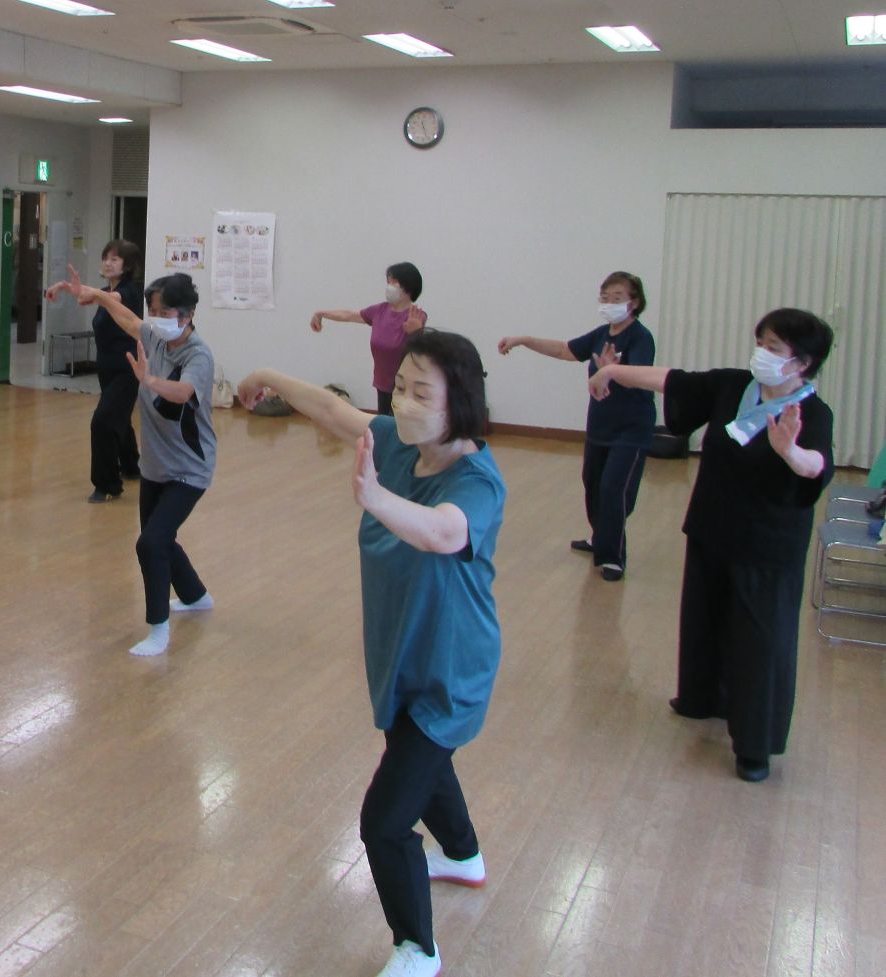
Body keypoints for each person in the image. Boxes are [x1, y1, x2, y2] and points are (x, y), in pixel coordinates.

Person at [237, 330, 506, 977]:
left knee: (384, 820)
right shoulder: (392, 440)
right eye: (401, 387)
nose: (403, 403)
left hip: (449, 667)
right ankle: (463, 854)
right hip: (398, 651)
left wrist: (376, 499)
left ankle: (417, 946)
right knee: (417, 753)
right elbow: (335, 411)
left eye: (422, 393)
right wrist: (269, 370)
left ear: (459, 403)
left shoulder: (477, 480)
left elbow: (445, 532)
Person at [588, 308, 834, 783]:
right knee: (705, 618)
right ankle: (702, 698)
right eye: (761, 342)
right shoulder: (732, 386)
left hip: (767, 546)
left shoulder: (811, 412)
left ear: (801, 363)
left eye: (775, 349)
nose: (762, 353)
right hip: (713, 528)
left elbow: (815, 467)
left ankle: (754, 746)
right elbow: (671, 381)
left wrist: (790, 452)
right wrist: (614, 371)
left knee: (759, 641)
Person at [46, 267, 216, 658]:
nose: (154, 318)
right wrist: (98, 294)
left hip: (190, 470)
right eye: (152, 310)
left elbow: (183, 391)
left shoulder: (198, 355)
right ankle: (196, 596)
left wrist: (151, 381)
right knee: (161, 538)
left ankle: (158, 630)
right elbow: (129, 320)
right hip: (156, 466)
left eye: (162, 311)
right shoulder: (156, 336)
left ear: (186, 315)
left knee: (150, 542)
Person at [498, 271, 655, 581]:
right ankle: (600, 536)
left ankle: (612, 557)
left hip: (631, 429)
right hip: (600, 427)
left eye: (618, 298)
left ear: (634, 303)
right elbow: (564, 350)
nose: (610, 303)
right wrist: (524, 340)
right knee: (593, 484)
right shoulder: (600, 335)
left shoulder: (640, 337)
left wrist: (612, 371)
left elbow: (641, 375)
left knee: (614, 489)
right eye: (605, 298)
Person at [310, 262, 428, 415]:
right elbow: (349, 315)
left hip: (406, 387)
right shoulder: (379, 310)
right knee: (384, 425)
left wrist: (416, 331)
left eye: (394, 282)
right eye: (388, 281)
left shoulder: (416, 315)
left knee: (402, 429)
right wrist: (321, 313)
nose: (389, 286)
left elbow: (421, 351)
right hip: (383, 383)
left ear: (408, 286)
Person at [87, 239, 145, 503]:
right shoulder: (103, 292)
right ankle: (132, 466)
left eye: (115, 259)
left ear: (127, 265)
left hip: (127, 368)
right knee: (118, 416)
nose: (108, 263)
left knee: (102, 421)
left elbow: (111, 299)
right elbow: (92, 297)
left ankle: (108, 485)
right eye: (106, 258)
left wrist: (91, 294)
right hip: (106, 368)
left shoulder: (129, 292)